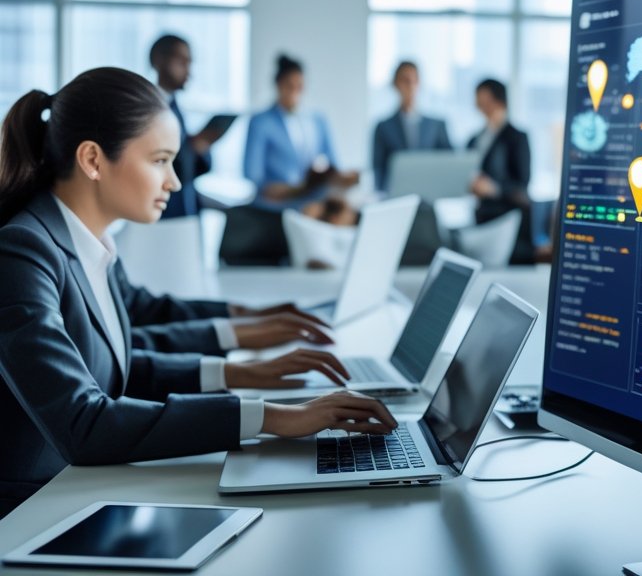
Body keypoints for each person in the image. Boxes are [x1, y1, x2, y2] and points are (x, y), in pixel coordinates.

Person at [0, 68, 396, 517]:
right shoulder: (23, 251)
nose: (175, 181)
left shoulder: (85, 239)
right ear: (93, 160)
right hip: (31, 510)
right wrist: (271, 416)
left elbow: (119, 360)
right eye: (159, 160)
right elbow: (84, 422)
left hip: (81, 489)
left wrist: (246, 360)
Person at [243, 55, 357, 210]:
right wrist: (285, 190)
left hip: (312, 199)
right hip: (277, 204)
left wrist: (340, 178)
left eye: (299, 86)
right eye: (289, 86)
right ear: (278, 85)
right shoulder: (261, 122)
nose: (295, 92)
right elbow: (253, 175)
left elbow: (332, 163)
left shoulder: (318, 120)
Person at [149, 34, 223, 219]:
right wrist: (188, 151)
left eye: (189, 63)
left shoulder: (175, 107)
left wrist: (200, 149)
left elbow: (188, 170)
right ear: (160, 61)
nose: (188, 72)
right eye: (182, 62)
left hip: (184, 207)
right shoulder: (147, 108)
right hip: (161, 212)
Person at [467, 78, 533, 264]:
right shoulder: (474, 139)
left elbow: (523, 183)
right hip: (482, 218)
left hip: (509, 222)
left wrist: (493, 188)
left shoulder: (517, 138)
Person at [371, 60, 453, 192]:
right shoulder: (383, 127)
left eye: (414, 80)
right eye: (404, 80)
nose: (410, 85)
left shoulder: (436, 126)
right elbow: (378, 169)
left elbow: (449, 163)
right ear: (395, 84)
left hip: (430, 196)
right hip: (396, 197)